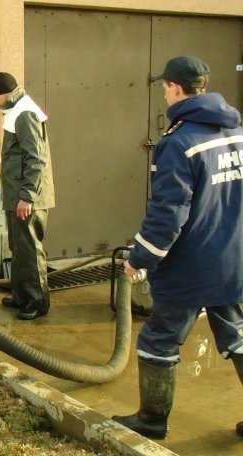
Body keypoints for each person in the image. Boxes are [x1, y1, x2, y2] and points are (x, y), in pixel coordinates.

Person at [111, 56, 243, 439]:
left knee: (158, 341)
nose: (164, 94)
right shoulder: (236, 132)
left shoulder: (179, 142)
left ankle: (152, 421)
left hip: (191, 267)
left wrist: (140, 259)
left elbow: (168, 215)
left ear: (174, 88)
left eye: (165, 87)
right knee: (238, 337)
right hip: (233, 261)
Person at [0, 72, 55, 320]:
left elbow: (35, 158)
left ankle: (37, 302)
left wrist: (27, 196)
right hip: (18, 195)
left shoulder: (25, 113)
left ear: (4, 93)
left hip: (28, 198)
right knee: (18, 247)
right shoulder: (16, 110)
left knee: (29, 249)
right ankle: (21, 296)